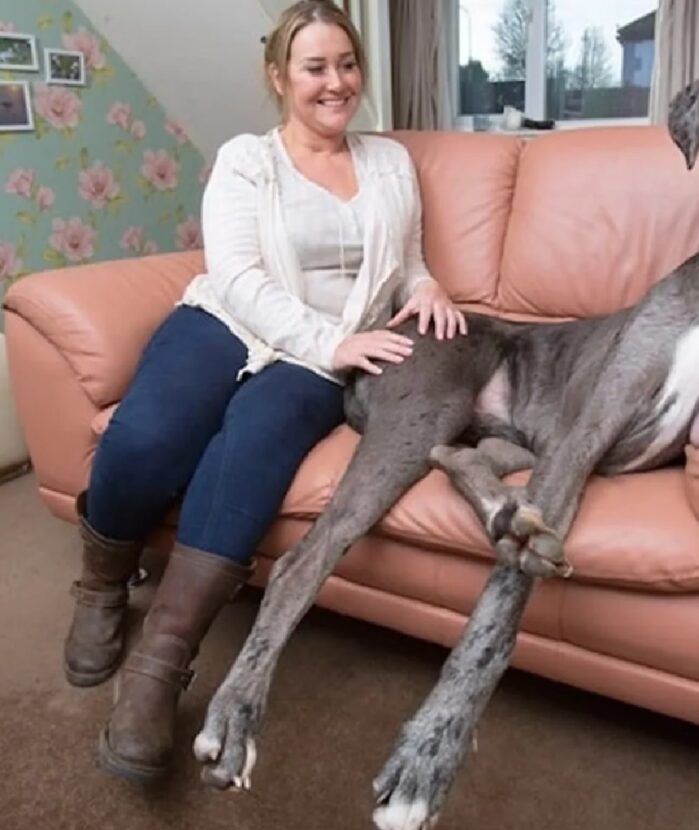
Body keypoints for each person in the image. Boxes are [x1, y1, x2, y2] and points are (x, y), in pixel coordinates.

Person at [62, 0, 467, 783]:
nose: (336, 82)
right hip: (234, 321)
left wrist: (429, 289)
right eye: (316, 66)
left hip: (326, 352)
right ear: (279, 76)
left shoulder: (389, 162)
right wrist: (332, 341)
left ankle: (160, 669)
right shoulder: (248, 159)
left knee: (248, 452)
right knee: (147, 440)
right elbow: (240, 278)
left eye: (347, 64)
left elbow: (404, 260)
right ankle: (102, 581)